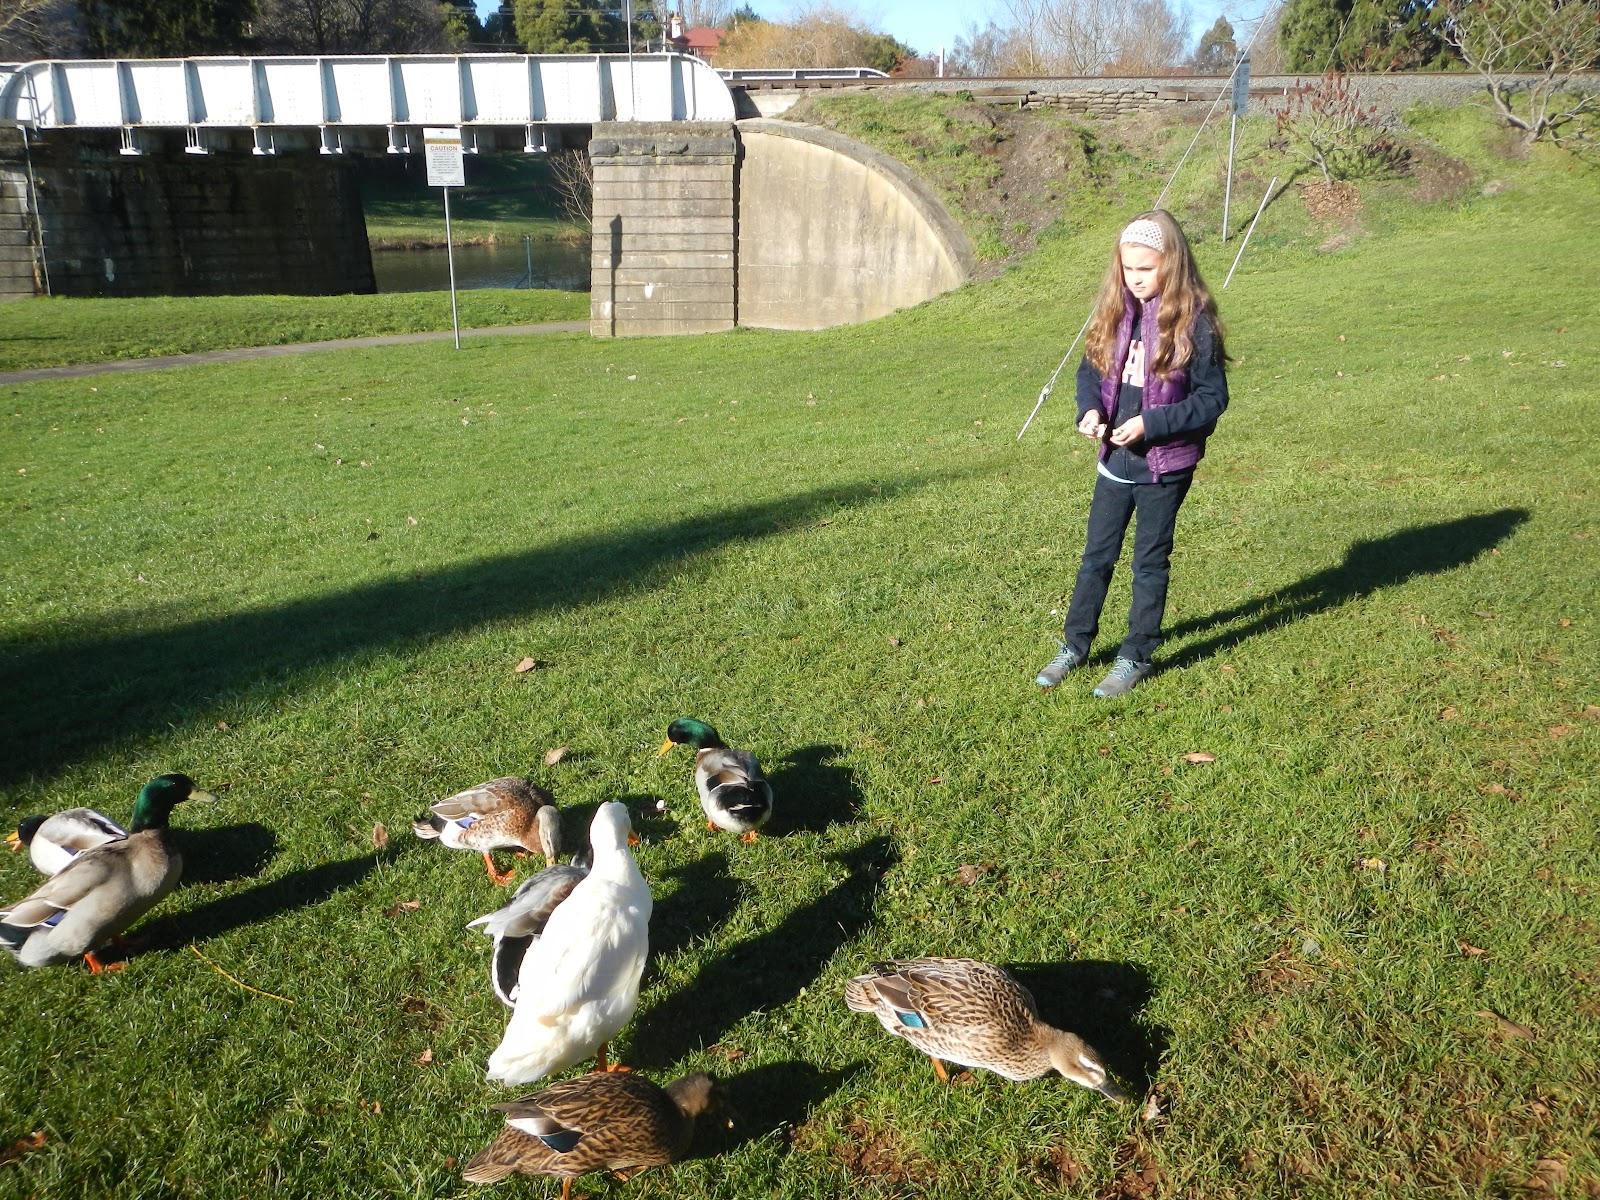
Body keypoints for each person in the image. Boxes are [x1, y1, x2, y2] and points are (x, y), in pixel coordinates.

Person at [1035, 210, 1229, 697]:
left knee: (1148, 561)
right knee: (1096, 557)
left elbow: (1212, 399)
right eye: (1128, 268)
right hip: (1113, 464)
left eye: (1146, 268)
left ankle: (1135, 655)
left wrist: (1150, 423)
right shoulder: (1115, 313)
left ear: (1173, 263)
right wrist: (1089, 412)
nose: (1136, 279)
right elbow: (1090, 372)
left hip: (1163, 469)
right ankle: (1075, 646)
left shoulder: (1194, 324)